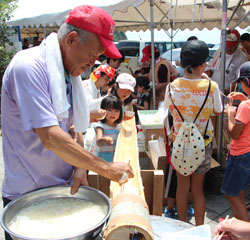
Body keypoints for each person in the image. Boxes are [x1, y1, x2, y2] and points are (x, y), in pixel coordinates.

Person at [1, 5, 134, 239]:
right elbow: (51, 136)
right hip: (28, 196)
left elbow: (73, 127)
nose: (94, 63)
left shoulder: (67, 74)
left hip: (63, 188)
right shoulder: (29, 67)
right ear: (72, 39)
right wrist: (106, 168)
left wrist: (80, 167)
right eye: (93, 54)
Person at [164, 40, 223, 225]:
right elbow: (219, 111)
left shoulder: (172, 86)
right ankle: (199, 228)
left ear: (181, 63)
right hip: (202, 144)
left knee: (182, 187)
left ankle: (182, 226)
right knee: (198, 190)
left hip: (179, 143)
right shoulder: (211, 87)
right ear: (203, 64)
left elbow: (168, 107)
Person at [221, 61, 250, 222]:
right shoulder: (247, 103)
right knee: (238, 190)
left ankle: (245, 228)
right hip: (247, 154)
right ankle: (237, 222)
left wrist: (230, 114)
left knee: (229, 192)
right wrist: (244, 98)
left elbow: (234, 134)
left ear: (246, 82)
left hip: (241, 154)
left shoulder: (245, 107)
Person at [205, 29, 248, 94]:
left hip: (228, 94)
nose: (229, 48)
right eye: (227, 45)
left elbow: (240, 81)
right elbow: (210, 69)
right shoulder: (219, 52)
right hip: (213, 91)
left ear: (238, 43)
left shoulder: (242, 58)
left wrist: (227, 91)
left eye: (232, 46)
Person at [95, 96, 123, 162]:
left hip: (116, 159)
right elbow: (98, 142)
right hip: (103, 161)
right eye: (109, 110)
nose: (113, 114)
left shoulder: (119, 126)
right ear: (102, 110)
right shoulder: (100, 126)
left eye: (116, 111)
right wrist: (104, 139)